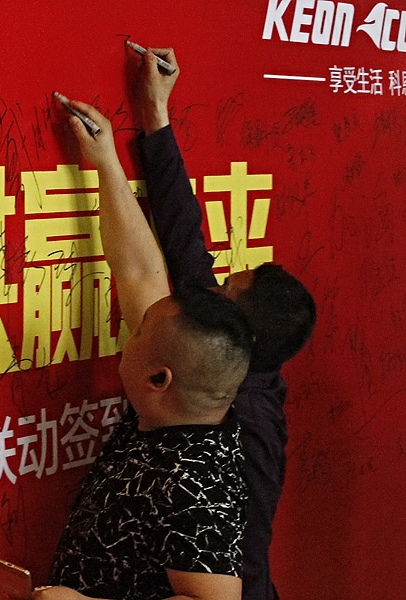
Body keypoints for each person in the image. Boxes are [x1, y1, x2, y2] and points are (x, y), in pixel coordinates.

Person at [37, 95, 254, 600]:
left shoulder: (196, 480)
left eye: (138, 331)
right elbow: (138, 271)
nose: (130, 328)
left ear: (159, 377)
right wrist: (107, 163)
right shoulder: (176, 405)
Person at [134, 47, 316, 600]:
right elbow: (184, 234)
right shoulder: (231, 348)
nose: (211, 286)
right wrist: (156, 114)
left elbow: (245, 554)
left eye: (226, 289)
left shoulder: (248, 422)